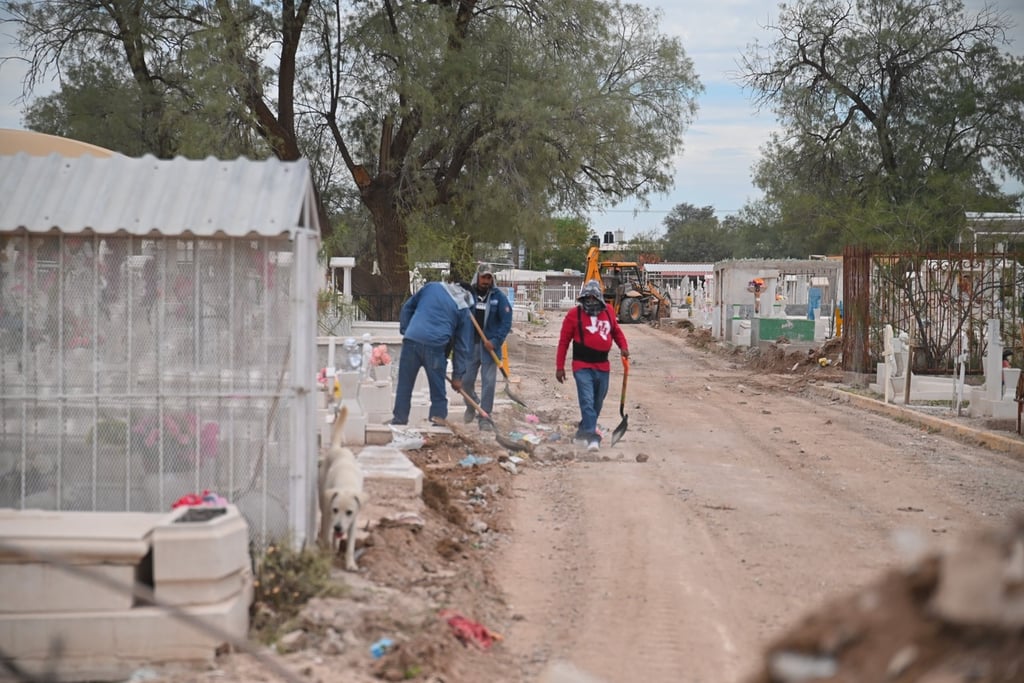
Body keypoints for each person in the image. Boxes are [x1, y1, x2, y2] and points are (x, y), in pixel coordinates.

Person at [555, 279, 630, 451]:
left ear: (600, 298)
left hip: (602, 365)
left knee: (597, 402)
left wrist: (623, 347)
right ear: (583, 298)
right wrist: (560, 367)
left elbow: (616, 331)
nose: (591, 301)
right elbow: (563, 342)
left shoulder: (609, 311)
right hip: (582, 365)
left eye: (594, 298)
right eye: (587, 298)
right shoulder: (574, 315)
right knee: (587, 401)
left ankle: (582, 432)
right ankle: (592, 437)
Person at [390, 282, 474, 426]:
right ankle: (438, 422)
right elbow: (461, 346)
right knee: (437, 391)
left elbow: (407, 308)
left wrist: (406, 330)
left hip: (411, 341)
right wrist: (457, 376)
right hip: (435, 347)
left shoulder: (432, 287)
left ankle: (399, 421)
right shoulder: (463, 308)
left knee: (404, 387)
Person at [461, 268, 513, 431]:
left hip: (489, 347)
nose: (486, 281)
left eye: (489, 278)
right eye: (483, 277)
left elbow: (506, 322)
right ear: (477, 277)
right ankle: (472, 404)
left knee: (488, 383)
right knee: (465, 381)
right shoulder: (468, 296)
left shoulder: (499, 297)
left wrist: (496, 340)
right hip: (470, 345)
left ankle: (485, 416)